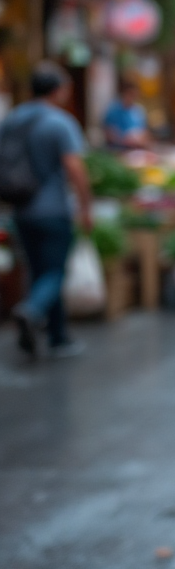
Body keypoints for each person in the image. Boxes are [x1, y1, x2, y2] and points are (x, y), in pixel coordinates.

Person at [1, 62, 93, 358]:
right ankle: (32, 310)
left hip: (20, 208)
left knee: (37, 271)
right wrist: (86, 206)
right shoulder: (59, 122)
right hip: (53, 209)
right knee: (54, 271)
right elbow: (74, 167)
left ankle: (56, 336)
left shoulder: (12, 120)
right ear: (58, 89)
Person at [103, 80, 150, 150]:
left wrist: (140, 140)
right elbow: (107, 133)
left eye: (135, 95)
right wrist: (122, 140)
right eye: (130, 94)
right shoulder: (113, 110)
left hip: (136, 150)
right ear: (124, 93)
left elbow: (145, 133)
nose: (132, 97)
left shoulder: (139, 111)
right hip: (118, 150)